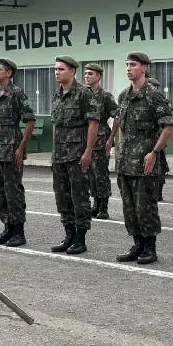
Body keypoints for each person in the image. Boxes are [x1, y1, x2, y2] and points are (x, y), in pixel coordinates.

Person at [113, 52, 173, 264]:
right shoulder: (124, 95)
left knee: (145, 206)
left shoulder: (154, 95)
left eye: (133, 65)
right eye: (127, 64)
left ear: (145, 68)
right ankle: (137, 244)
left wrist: (154, 153)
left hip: (145, 161)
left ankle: (150, 248)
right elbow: (122, 126)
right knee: (129, 207)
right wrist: (119, 150)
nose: (128, 68)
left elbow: (169, 125)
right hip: (126, 162)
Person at [50, 55, 100, 255]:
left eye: (61, 69)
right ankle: (68, 234)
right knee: (62, 198)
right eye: (55, 69)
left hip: (77, 154)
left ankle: (80, 238)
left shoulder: (84, 94)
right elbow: (56, 125)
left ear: (72, 71)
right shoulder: (57, 95)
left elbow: (93, 123)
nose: (57, 73)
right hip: (60, 155)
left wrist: (88, 151)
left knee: (79, 197)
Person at [0, 58, 36, 246]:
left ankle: (18, 232)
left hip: (11, 149)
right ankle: (7, 228)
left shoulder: (17, 94)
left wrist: (21, 147)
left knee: (13, 191)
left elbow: (30, 121)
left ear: (9, 73)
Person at [84, 62, 118, 220]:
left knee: (101, 175)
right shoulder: (83, 95)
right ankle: (95, 204)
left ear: (98, 76)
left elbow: (117, 117)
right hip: (86, 141)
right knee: (90, 175)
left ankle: (104, 207)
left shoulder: (105, 96)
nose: (86, 76)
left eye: (90, 73)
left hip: (101, 139)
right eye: (86, 73)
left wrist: (111, 139)